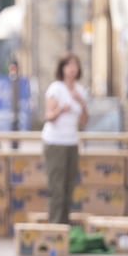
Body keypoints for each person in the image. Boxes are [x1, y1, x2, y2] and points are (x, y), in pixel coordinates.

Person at [42, 53, 89, 224]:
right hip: (55, 142)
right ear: (62, 68)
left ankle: (65, 223)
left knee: (69, 186)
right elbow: (48, 115)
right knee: (57, 187)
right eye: (69, 65)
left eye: (75, 65)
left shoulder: (80, 91)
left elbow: (84, 121)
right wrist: (61, 109)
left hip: (71, 142)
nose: (72, 69)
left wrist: (81, 102)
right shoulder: (56, 88)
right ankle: (55, 225)